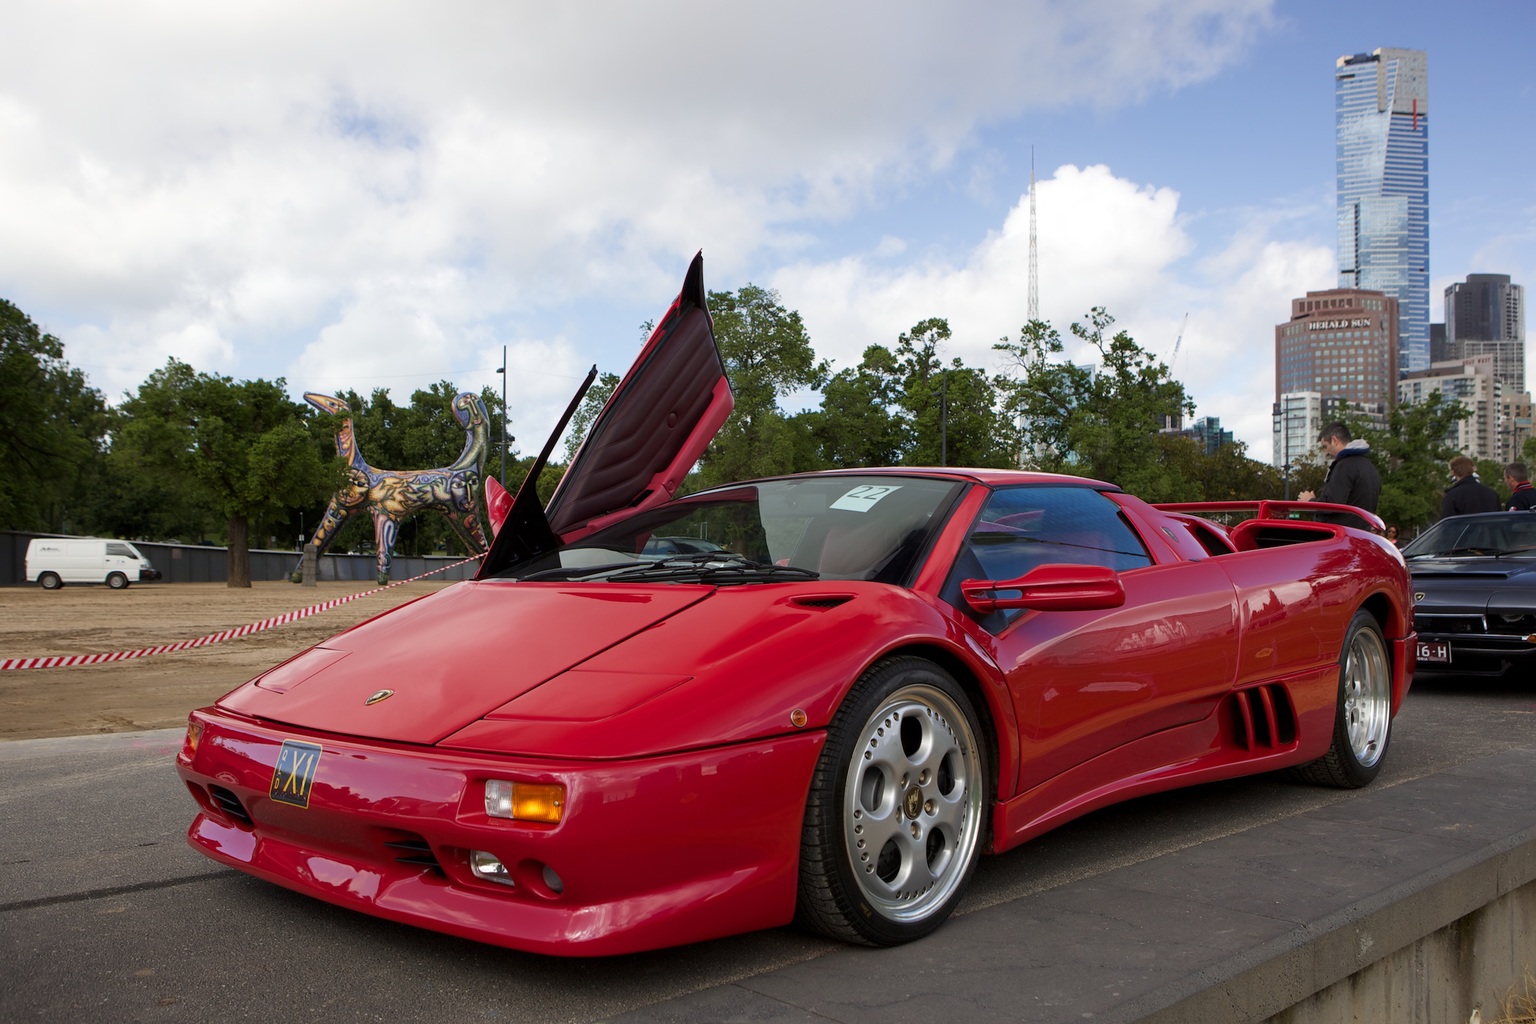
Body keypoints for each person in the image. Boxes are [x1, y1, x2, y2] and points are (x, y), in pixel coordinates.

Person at [1298, 422, 1381, 524]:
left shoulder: (1344, 465)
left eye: (1325, 446)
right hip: (1362, 532)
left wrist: (1310, 501)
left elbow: (1333, 506)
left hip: (1341, 533)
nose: (1326, 453)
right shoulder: (1369, 466)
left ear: (1334, 440)